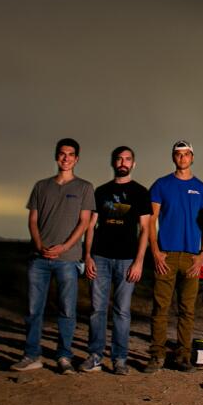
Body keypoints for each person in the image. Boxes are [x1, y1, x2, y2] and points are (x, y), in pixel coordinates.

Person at [12, 138, 95, 374]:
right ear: (56, 156)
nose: (66, 158)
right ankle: (31, 355)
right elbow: (33, 219)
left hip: (67, 260)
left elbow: (85, 222)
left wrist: (63, 247)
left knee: (67, 310)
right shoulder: (41, 186)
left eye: (70, 154)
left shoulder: (84, 187)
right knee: (33, 310)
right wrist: (40, 246)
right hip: (39, 259)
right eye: (62, 153)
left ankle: (64, 356)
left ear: (76, 159)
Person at [81, 145, 151, 375]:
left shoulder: (141, 193)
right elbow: (90, 226)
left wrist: (139, 261)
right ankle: (95, 356)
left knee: (122, 311)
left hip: (127, 260)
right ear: (113, 162)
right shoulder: (100, 191)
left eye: (127, 159)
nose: (123, 162)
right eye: (119, 159)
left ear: (133, 164)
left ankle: (119, 359)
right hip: (100, 256)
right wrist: (88, 256)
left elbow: (146, 229)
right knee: (97, 309)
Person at [144, 140, 203, 373]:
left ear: (193, 157)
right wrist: (155, 251)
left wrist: (202, 255)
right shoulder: (161, 185)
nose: (182, 158)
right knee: (160, 308)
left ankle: (183, 356)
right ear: (173, 157)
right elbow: (151, 221)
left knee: (187, 310)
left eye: (186, 154)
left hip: (192, 258)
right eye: (178, 154)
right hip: (166, 256)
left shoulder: (202, 189)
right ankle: (157, 356)